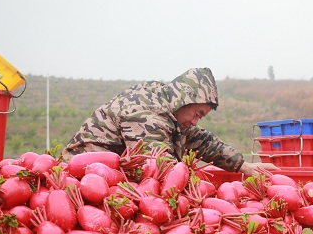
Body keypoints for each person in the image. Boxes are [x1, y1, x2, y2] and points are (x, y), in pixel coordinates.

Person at [62, 67, 279, 177]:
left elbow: (203, 141)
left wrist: (244, 166)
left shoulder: (170, 109)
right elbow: (160, 167)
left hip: (103, 176)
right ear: (186, 99)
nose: (195, 122)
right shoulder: (147, 113)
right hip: (79, 177)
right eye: (197, 114)